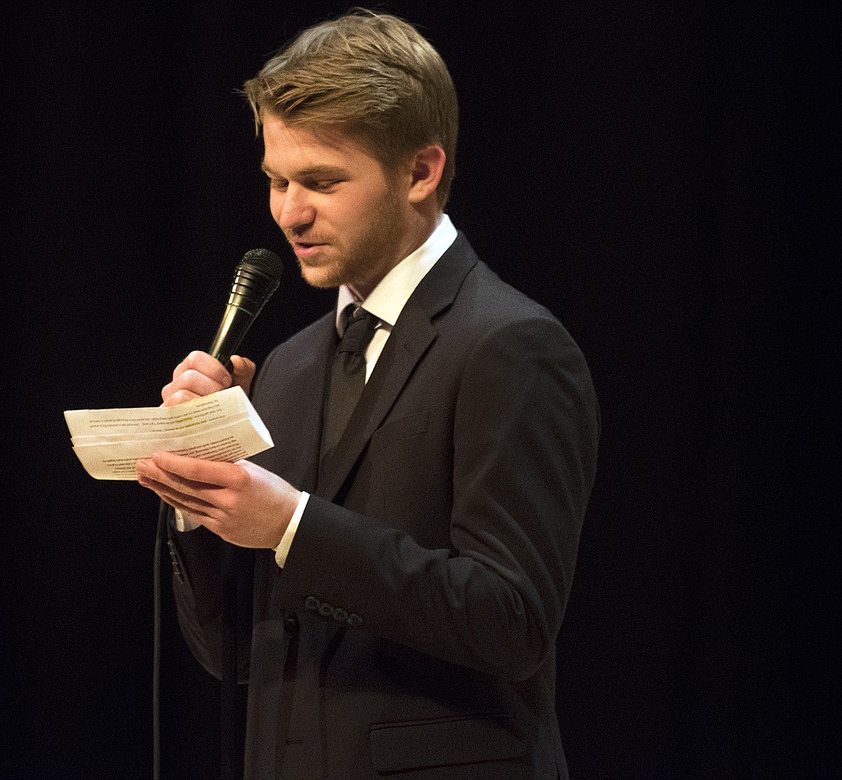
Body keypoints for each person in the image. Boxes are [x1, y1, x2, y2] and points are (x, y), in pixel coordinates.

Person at [135, 9, 599, 779]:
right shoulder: (289, 364)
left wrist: (290, 523)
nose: (290, 211)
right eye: (277, 181)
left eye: (320, 181)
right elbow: (232, 652)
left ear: (420, 172)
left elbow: (512, 622)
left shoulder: (510, 344)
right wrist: (198, 491)